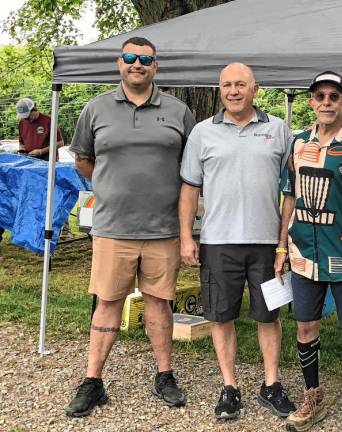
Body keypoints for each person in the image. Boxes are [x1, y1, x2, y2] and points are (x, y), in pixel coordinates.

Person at [65, 36, 195, 417]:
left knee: (159, 302)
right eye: (130, 57)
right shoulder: (95, 109)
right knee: (107, 303)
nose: (137, 64)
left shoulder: (178, 110)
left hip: (163, 229)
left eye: (145, 59)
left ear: (156, 66)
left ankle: (164, 375)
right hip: (112, 228)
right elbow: (84, 162)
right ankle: (92, 381)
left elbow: (191, 169)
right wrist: (112, 188)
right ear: (119, 63)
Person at [179, 62, 295, 420]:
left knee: (268, 315)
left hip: (266, 243)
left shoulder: (278, 130)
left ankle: (271, 385)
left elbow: (291, 192)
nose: (233, 91)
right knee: (220, 316)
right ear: (220, 90)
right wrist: (186, 236)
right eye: (227, 84)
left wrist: (284, 243)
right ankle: (230, 387)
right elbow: (189, 187)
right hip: (218, 242)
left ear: (255, 89)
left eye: (241, 84)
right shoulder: (202, 133)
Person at [277, 71, 342, 432]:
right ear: (311, 102)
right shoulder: (298, 142)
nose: (326, 103)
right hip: (304, 251)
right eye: (319, 96)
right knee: (305, 327)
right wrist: (280, 247)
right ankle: (312, 395)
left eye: (333, 96)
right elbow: (288, 196)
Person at [16, 98, 72, 240]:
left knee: (55, 196)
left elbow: (60, 142)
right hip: (30, 166)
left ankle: (65, 230)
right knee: (33, 197)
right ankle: (37, 229)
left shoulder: (48, 120)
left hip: (48, 164)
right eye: (24, 117)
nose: (26, 120)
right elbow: (22, 142)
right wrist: (22, 151)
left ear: (34, 109)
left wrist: (41, 151)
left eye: (28, 116)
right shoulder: (22, 122)